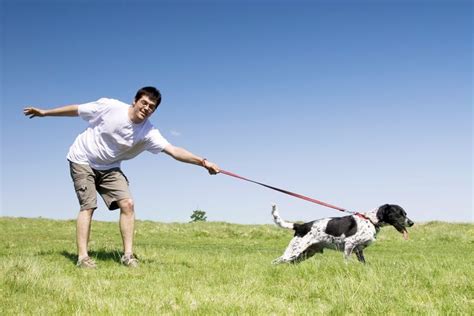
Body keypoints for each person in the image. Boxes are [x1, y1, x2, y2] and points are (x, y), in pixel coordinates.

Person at [23, 86, 220, 268]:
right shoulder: (110, 107)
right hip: (82, 159)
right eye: (144, 102)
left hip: (110, 167)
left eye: (151, 107)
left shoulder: (149, 132)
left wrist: (203, 162)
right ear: (135, 100)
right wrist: (45, 112)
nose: (146, 108)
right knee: (89, 206)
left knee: (128, 204)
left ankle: (127, 255)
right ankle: (83, 257)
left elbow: (174, 151)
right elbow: (77, 110)